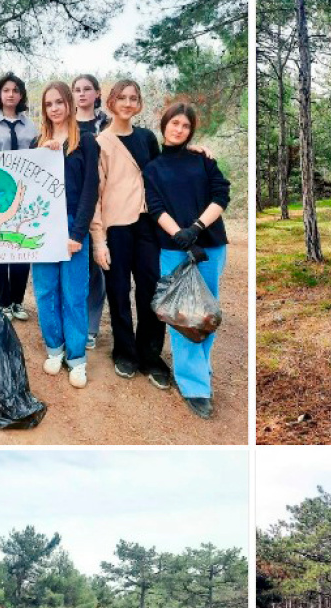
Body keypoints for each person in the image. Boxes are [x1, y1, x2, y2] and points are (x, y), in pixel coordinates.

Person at [145, 102, 230, 420]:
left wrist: (196, 228)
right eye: (174, 123)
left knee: (207, 312)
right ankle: (194, 385)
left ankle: (200, 367)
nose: (178, 129)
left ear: (191, 130)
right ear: (164, 124)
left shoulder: (203, 160)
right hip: (174, 248)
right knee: (182, 314)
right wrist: (179, 234)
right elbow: (155, 206)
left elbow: (221, 195)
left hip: (210, 245)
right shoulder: (153, 168)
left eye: (185, 125)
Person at [90, 79, 170, 386]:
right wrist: (99, 240)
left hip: (147, 225)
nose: (127, 103)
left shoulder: (147, 138)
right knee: (118, 291)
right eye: (121, 97)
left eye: (133, 98)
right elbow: (95, 194)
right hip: (116, 227)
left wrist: (195, 150)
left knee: (150, 290)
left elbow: (164, 172)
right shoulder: (101, 142)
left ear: (138, 104)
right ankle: (124, 351)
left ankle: (150, 354)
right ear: (110, 102)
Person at [30, 81, 99, 389]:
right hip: (41, 225)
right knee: (45, 290)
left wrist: (78, 233)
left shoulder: (85, 142)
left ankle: (76, 357)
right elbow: (27, 189)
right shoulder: (36, 143)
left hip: (72, 224)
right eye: (48, 104)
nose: (54, 108)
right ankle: (54, 348)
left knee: (73, 293)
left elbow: (89, 190)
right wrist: (41, 154)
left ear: (69, 104)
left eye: (59, 102)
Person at [0, 73, 38, 322]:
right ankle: (2, 301)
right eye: (6, 90)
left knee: (21, 246)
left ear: (21, 94)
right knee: (0, 247)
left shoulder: (30, 126)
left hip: (25, 192)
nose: (11, 94)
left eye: (16, 90)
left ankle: (17, 301)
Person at [72, 74, 108, 349]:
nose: (82, 94)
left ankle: (92, 327)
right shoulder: (66, 125)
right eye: (77, 90)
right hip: (77, 202)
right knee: (78, 266)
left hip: (108, 200)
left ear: (97, 93)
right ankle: (75, 321)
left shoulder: (108, 125)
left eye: (87, 89)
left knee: (99, 267)